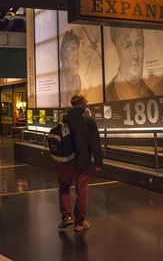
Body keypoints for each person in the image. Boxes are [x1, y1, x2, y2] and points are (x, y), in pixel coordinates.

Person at [58, 94, 103, 232]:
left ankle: (67, 216)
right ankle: (79, 223)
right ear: (82, 103)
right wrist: (98, 161)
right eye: (86, 102)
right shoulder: (89, 120)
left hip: (66, 160)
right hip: (82, 160)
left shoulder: (63, 118)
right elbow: (95, 143)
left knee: (64, 188)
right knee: (81, 192)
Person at [106, 27, 155, 101]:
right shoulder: (109, 94)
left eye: (138, 44)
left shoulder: (150, 95)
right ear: (118, 51)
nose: (136, 55)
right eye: (127, 46)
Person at [78, 26, 103, 103]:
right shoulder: (93, 62)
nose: (81, 49)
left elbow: (94, 97)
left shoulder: (97, 65)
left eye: (83, 43)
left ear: (90, 43)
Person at [60, 30, 82, 107]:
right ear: (65, 54)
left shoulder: (77, 79)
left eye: (77, 49)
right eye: (73, 49)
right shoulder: (59, 79)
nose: (77, 53)